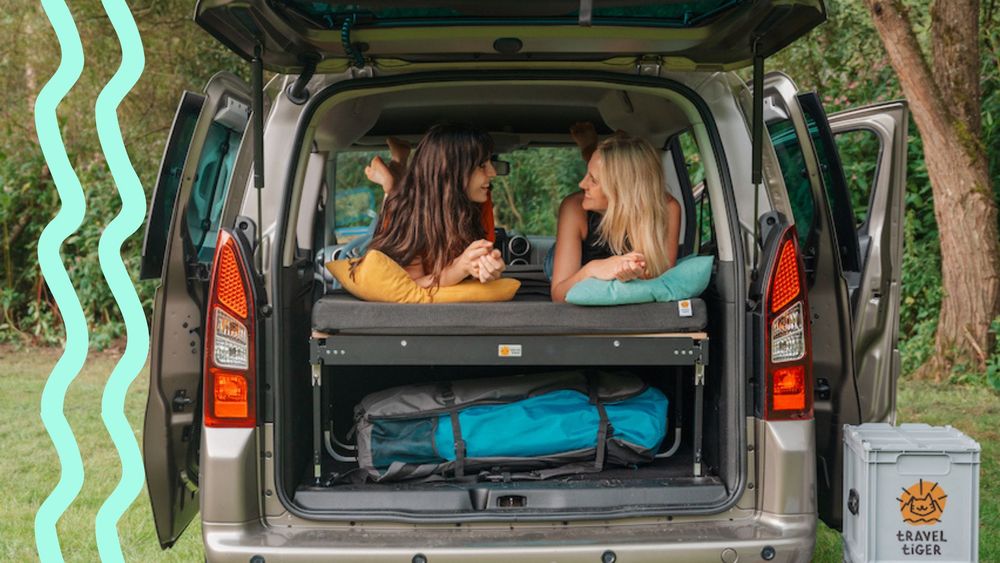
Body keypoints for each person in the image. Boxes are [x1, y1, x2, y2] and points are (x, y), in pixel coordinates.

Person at [356, 122, 506, 289]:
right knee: (382, 226)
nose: (493, 172)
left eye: (490, 163)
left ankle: (396, 178)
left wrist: (488, 270)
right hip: (398, 217)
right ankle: (392, 184)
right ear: (450, 172)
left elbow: (473, 269)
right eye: (482, 165)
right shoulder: (410, 219)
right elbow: (410, 286)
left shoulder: (478, 205)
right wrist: (460, 268)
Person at [549, 123, 682, 302]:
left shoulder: (666, 208)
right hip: (577, 263)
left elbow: (659, 280)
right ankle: (590, 151)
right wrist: (594, 268)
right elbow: (559, 294)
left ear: (621, 190)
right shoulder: (574, 207)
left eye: (593, 180)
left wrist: (627, 272)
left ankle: (592, 152)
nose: (581, 184)